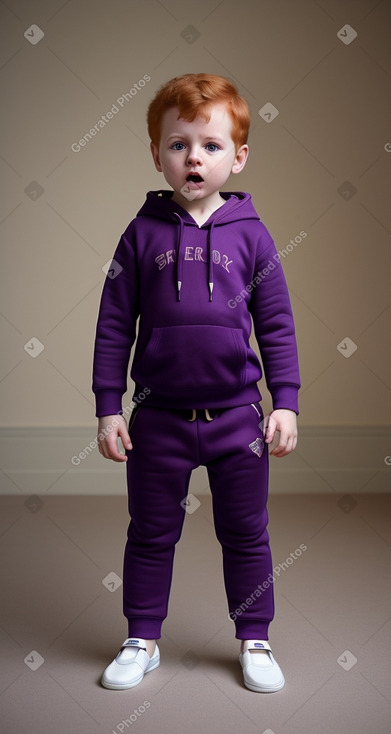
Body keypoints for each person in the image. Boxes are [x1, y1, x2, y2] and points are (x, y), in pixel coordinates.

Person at [92, 73, 300, 693]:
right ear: (157, 154)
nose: (193, 158)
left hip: (238, 418)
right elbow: (112, 327)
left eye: (210, 146)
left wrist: (284, 402)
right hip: (158, 419)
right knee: (151, 533)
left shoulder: (255, 237)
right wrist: (110, 407)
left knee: (246, 531)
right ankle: (142, 638)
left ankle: (255, 637)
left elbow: (278, 325)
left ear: (237, 156)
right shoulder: (139, 235)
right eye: (178, 145)